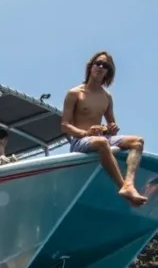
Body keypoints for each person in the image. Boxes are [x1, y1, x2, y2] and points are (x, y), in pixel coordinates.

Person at [61, 51, 148, 207]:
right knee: (102, 142)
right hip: (80, 141)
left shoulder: (107, 97)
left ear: (109, 71)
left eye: (105, 65)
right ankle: (123, 187)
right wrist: (86, 133)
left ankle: (129, 184)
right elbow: (65, 125)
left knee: (138, 141)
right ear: (90, 67)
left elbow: (111, 128)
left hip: (101, 138)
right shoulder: (74, 93)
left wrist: (111, 128)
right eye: (98, 63)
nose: (100, 67)